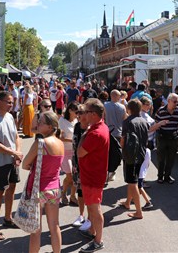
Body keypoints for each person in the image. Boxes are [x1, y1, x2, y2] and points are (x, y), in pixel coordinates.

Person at [22, 111, 65, 253]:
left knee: (36, 229)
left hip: (39, 190)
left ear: (50, 127)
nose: (38, 124)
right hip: (54, 189)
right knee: (54, 226)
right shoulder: (60, 143)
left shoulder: (40, 143)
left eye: (41, 122)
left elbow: (25, 164)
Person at [0, 91, 23, 240]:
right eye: (8, 102)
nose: (11, 105)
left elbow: (16, 136)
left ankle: (8, 218)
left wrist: (17, 153)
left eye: (12, 102)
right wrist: (14, 153)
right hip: (0, 163)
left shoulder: (10, 116)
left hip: (12, 160)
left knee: (12, 188)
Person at [77, 98, 109, 252]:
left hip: (92, 177)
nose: (83, 114)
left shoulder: (95, 133)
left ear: (94, 114)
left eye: (86, 112)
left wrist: (84, 131)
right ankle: (92, 231)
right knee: (92, 207)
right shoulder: (99, 127)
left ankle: (98, 241)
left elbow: (80, 152)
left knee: (95, 210)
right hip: (92, 175)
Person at [71, 104, 91, 231]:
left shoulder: (91, 128)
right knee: (80, 191)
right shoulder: (77, 126)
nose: (78, 115)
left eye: (81, 113)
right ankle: (81, 215)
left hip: (87, 165)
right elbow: (74, 144)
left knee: (88, 192)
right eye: (78, 113)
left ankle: (89, 218)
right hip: (77, 163)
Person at [155, 93, 178, 184]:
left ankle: (167, 176)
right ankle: (160, 176)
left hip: (173, 137)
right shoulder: (161, 111)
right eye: (175, 101)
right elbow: (156, 123)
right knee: (161, 158)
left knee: (171, 158)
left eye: (177, 102)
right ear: (169, 101)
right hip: (162, 137)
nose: (176, 103)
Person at [58, 101, 79, 206]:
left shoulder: (76, 121)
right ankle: (63, 193)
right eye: (76, 112)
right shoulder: (62, 121)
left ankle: (72, 196)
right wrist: (73, 140)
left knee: (75, 176)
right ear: (70, 110)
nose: (78, 114)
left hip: (75, 152)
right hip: (65, 152)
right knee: (70, 176)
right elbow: (60, 138)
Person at [104, 89, 127, 181]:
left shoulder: (105, 106)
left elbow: (102, 118)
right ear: (118, 96)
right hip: (118, 133)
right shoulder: (122, 107)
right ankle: (112, 172)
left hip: (107, 132)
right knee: (116, 154)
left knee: (107, 153)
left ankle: (107, 172)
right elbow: (125, 119)